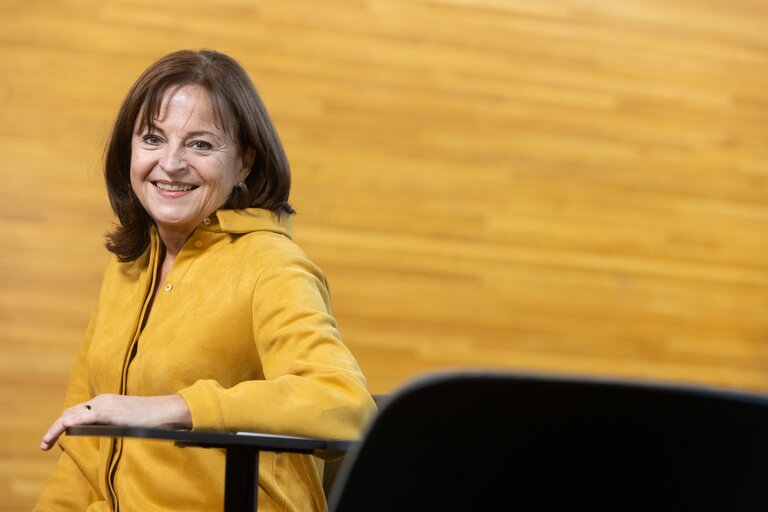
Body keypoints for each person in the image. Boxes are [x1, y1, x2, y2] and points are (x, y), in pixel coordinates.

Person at [34, 49, 376, 512]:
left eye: (201, 145)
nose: (171, 164)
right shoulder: (130, 264)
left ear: (244, 164)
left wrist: (176, 408)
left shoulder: (271, 264)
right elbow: (82, 446)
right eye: (153, 139)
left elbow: (345, 405)